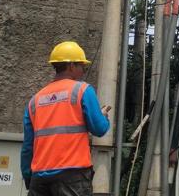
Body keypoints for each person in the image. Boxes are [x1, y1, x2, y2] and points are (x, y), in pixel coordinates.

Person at [20, 41, 111, 196]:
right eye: (82, 66)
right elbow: (99, 129)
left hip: (39, 178)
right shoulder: (82, 90)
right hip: (73, 176)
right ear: (71, 66)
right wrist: (103, 116)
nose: (83, 70)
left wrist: (28, 176)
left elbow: (28, 146)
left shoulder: (35, 100)